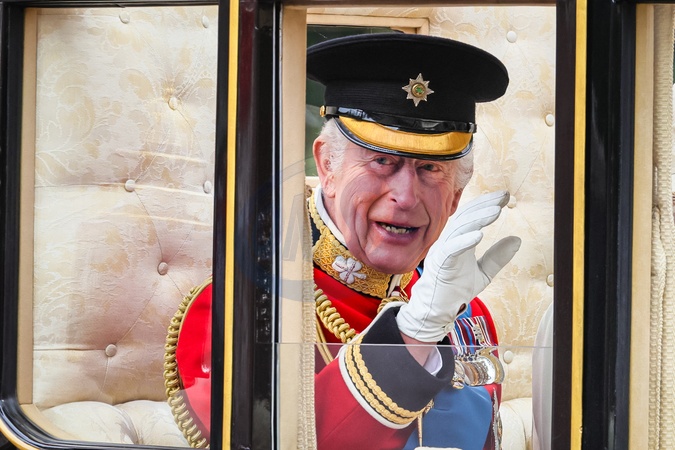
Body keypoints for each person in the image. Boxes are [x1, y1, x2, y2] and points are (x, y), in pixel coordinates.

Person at [307, 33, 520, 450]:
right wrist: (414, 334)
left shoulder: (468, 314)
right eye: (382, 161)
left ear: (455, 195)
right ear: (327, 167)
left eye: (430, 169)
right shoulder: (246, 310)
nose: (405, 197)